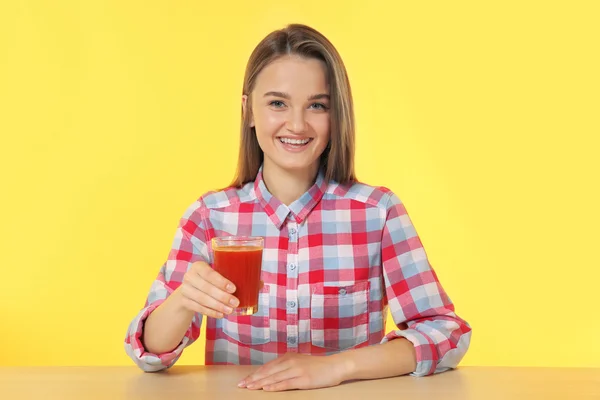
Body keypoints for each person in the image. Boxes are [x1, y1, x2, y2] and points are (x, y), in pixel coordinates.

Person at [124, 23, 472, 392]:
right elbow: (149, 353)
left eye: (317, 106)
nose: (297, 124)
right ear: (249, 111)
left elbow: (445, 334)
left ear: (336, 116)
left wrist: (337, 367)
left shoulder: (377, 212)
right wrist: (182, 301)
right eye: (277, 103)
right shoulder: (210, 217)